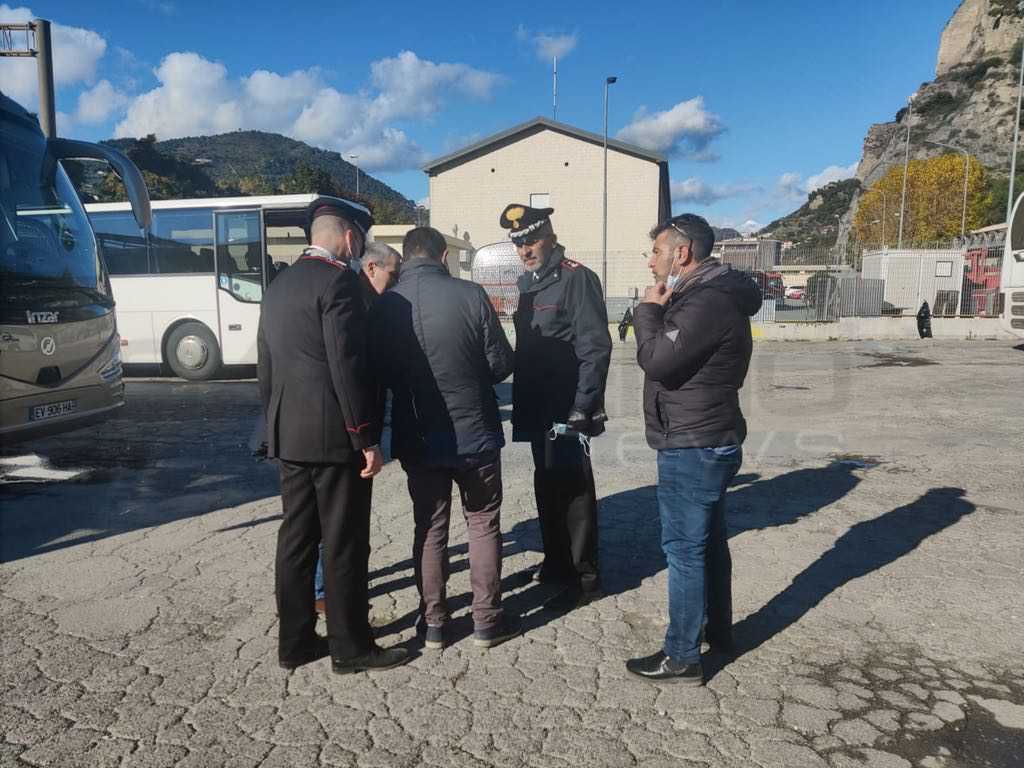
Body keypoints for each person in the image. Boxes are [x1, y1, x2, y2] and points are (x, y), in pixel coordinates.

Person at [257, 195, 408, 674]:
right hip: (334, 438)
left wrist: (271, 426)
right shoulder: (338, 281)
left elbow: (266, 365)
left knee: (296, 540)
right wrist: (366, 437)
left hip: (290, 434)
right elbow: (347, 365)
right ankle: (350, 647)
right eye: (359, 240)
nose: (358, 250)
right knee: (343, 542)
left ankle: (295, 642)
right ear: (348, 236)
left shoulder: (279, 284)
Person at [625, 213, 761, 685]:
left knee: (684, 550)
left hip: (693, 442)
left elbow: (657, 360)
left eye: (657, 252)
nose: (651, 262)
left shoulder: (705, 301)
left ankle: (682, 656)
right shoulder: (709, 295)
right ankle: (716, 631)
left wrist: (647, 311)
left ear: (681, 254)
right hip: (706, 436)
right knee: (707, 543)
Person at [370, 227, 520, 650]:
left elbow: (379, 372)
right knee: (483, 521)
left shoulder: (387, 304)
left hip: (418, 435)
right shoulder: (470, 295)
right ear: (442, 256)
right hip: (475, 434)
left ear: (406, 257)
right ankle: (487, 621)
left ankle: (434, 622)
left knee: (430, 527)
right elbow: (500, 364)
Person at [501, 203, 612, 611]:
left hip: (566, 405)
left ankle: (585, 578)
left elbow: (595, 346)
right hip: (537, 404)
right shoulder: (528, 283)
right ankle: (556, 563)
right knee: (546, 483)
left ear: (550, 236)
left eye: (531, 240)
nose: (525, 250)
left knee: (574, 488)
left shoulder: (576, 278)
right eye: (519, 244)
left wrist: (584, 406)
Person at [314, 241, 402, 613]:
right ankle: (325, 591)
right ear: (371, 267)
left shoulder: (370, 300)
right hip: (345, 427)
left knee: (350, 515)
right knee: (336, 517)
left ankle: (346, 581)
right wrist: (364, 436)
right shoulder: (352, 298)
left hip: (356, 424)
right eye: (392, 273)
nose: (395, 281)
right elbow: (348, 367)